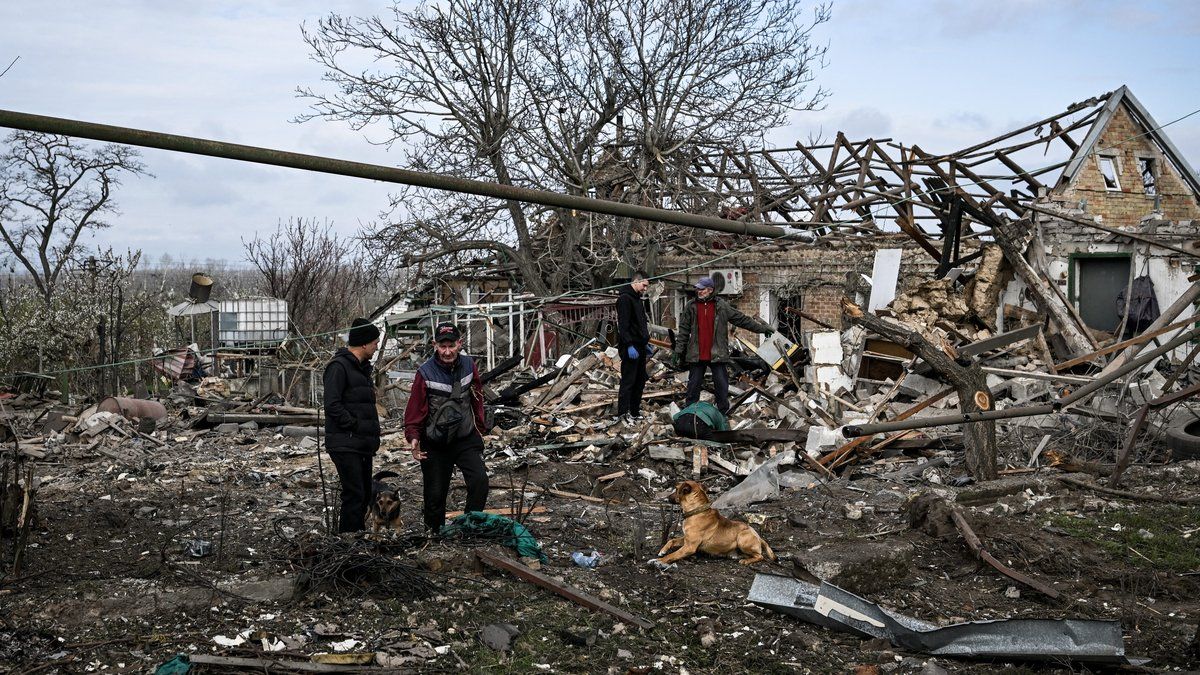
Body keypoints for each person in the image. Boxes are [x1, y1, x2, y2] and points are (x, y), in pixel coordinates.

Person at [404, 322, 490, 533]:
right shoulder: (424, 373)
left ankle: (470, 527)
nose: (447, 351)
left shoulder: (469, 365)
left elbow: (477, 396)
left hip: (464, 437)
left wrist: (480, 428)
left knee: (480, 481)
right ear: (435, 345)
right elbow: (415, 408)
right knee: (435, 495)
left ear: (459, 344)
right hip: (435, 442)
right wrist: (413, 437)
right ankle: (434, 536)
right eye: (443, 346)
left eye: (451, 345)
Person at [671, 277, 774, 413]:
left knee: (721, 386)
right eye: (697, 289)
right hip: (697, 354)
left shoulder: (722, 306)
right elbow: (684, 330)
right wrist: (678, 350)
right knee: (693, 385)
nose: (698, 291)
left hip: (717, 353)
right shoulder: (691, 306)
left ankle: (722, 413)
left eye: (701, 289)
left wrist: (762, 329)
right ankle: (690, 412)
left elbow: (742, 320)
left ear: (710, 290)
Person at [323, 317, 382, 533]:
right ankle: (349, 543)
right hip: (346, 443)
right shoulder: (339, 367)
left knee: (364, 494)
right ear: (365, 343)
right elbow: (332, 404)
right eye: (375, 342)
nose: (377, 347)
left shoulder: (360, 369)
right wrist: (354, 425)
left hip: (360, 444)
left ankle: (355, 538)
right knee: (355, 494)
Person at [616, 270, 652, 421]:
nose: (645, 288)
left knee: (639, 381)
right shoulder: (625, 299)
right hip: (631, 347)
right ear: (636, 281)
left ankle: (634, 412)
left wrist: (645, 342)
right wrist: (629, 344)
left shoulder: (637, 299)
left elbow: (640, 323)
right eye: (644, 285)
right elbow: (623, 325)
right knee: (628, 381)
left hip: (640, 345)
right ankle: (623, 413)